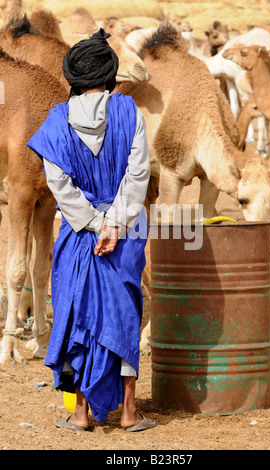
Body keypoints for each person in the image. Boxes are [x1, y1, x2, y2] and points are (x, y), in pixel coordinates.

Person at [27, 29, 155, 432]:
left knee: (75, 314)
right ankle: (130, 412)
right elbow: (138, 176)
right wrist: (115, 224)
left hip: (79, 235)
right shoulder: (129, 112)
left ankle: (80, 413)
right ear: (110, 73)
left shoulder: (55, 122)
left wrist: (95, 224)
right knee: (123, 314)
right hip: (126, 234)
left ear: (72, 77)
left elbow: (59, 185)